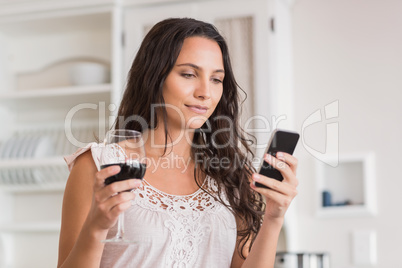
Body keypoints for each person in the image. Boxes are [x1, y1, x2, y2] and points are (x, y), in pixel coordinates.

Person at [57, 18, 298, 268]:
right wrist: (96, 229)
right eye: (189, 74)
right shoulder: (98, 165)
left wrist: (273, 217)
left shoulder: (232, 176)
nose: (205, 92)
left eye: (216, 79)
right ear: (154, 76)